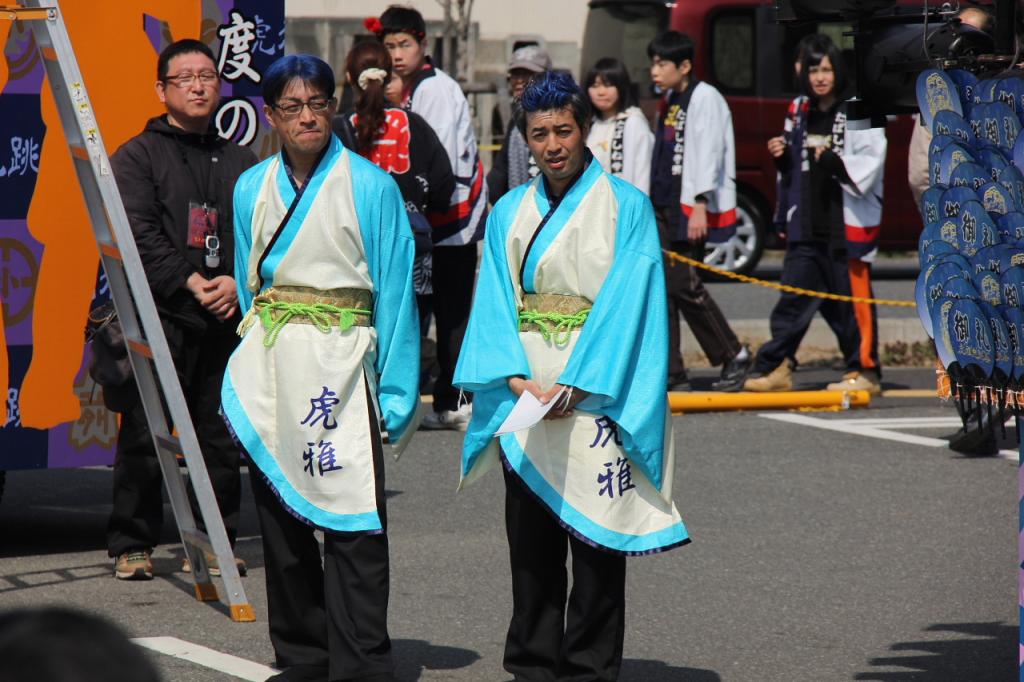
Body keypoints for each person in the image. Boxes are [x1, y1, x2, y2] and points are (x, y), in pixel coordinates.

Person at [454, 71, 689, 682]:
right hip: (527, 394)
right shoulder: (508, 210)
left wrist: (577, 385)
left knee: (597, 548)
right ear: (525, 141)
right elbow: (495, 303)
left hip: (595, 396)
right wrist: (512, 382)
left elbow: (629, 305)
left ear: (584, 130)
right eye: (539, 134)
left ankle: (589, 669)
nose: (553, 144)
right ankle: (532, 666)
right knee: (530, 550)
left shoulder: (626, 206)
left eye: (563, 129)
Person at [222, 54, 419, 682]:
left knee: (355, 517)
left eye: (318, 103)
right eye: (293, 107)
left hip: (345, 364)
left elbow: (394, 291)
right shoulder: (251, 187)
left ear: (333, 107)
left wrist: (395, 390)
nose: (308, 117)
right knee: (280, 517)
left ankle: (362, 662)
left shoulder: (371, 185)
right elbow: (249, 284)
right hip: (277, 366)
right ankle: (303, 656)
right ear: (271, 115)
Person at [107, 38, 256, 581]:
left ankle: (218, 540)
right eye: (185, 77)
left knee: (218, 435)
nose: (198, 86)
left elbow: (260, 234)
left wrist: (237, 284)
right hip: (161, 314)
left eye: (207, 76)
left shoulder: (242, 158)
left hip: (224, 316)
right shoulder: (138, 155)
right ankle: (131, 543)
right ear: (162, 89)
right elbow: (137, 235)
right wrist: (192, 281)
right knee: (146, 433)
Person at [744, 35, 886, 393]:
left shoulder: (857, 107)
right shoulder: (799, 108)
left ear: (838, 69)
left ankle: (865, 371)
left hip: (844, 222)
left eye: (826, 68)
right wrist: (781, 155)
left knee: (851, 305)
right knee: (792, 298)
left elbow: (871, 160)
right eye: (813, 69)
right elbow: (793, 167)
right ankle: (777, 365)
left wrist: (835, 162)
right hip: (806, 220)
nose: (820, 77)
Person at [369, 6, 488, 430]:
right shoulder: (401, 88)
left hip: (448, 218)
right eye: (389, 46)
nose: (397, 54)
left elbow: (430, 158)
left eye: (405, 45)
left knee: (449, 310)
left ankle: (454, 400)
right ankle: (418, 400)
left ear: (423, 43)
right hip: (419, 219)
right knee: (415, 312)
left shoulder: (435, 88)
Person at [334, 40, 455, 378]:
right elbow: (445, 185)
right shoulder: (416, 125)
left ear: (349, 76)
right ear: (389, 77)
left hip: (357, 251)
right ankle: (397, 419)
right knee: (405, 344)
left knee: (356, 341)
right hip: (413, 248)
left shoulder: (339, 130)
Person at [647, 31, 752, 392]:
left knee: (686, 285)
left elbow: (708, 152)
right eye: (653, 63)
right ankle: (673, 369)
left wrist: (700, 204)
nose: (654, 71)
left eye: (662, 64)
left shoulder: (703, 97)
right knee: (665, 289)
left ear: (685, 66)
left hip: (688, 204)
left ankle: (732, 353)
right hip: (663, 203)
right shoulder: (672, 99)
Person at [487, 45, 552, 200]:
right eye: (515, 75)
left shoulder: (555, 115)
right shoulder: (518, 118)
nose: (520, 81)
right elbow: (500, 169)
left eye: (528, 74)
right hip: (520, 207)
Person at [585, 57, 653, 193]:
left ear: (621, 87)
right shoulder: (590, 124)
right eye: (595, 86)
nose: (601, 92)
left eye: (608, 85)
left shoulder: (632, 121)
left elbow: (642, 173)